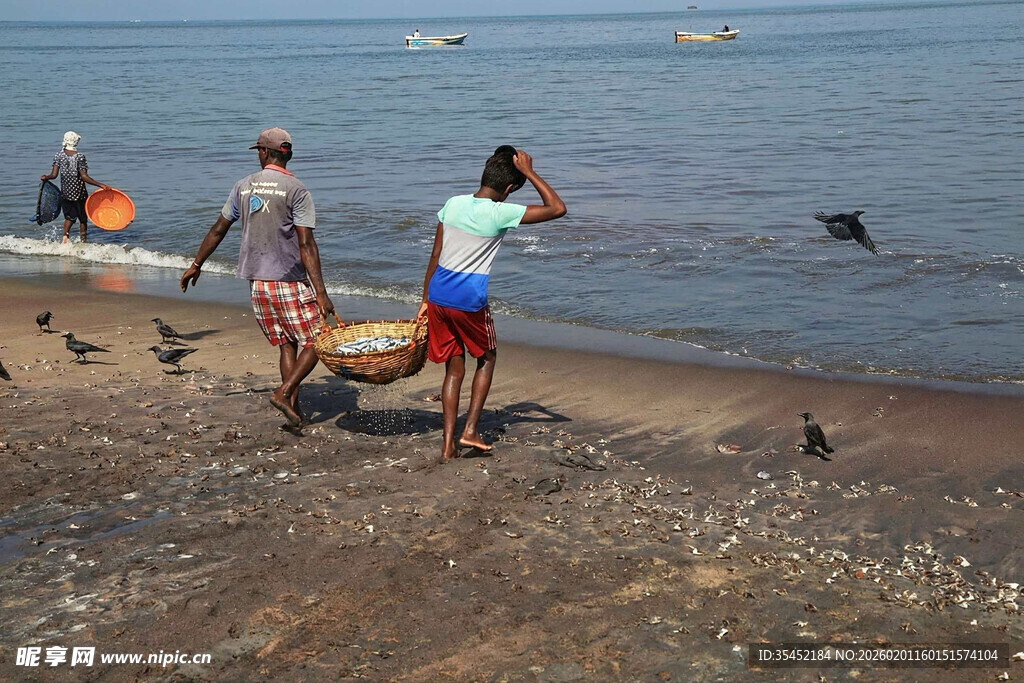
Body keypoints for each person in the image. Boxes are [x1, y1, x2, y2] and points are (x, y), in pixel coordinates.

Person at [179, 127, 337, 428]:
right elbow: (306, 244)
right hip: (289, 279)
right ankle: (284, 392)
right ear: (288, 154)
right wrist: (321, 292)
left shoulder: (244, 185)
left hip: (257, 282)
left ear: (265, 152)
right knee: (318, 340)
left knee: (287, 343)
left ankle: (294, 411)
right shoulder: (297, 189)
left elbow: (218, 229)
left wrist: (197, 263)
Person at [417, 146, 566, 463]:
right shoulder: (502, 212)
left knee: (453, 370)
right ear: (509, 189)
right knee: (487, 358)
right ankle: (469, 429)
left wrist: (425, 300)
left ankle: (447, 446)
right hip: (468, 301)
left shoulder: (453, 204)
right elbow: (557, 208)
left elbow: (434, 255)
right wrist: (529, 172)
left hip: (439, 295)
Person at [41, 131, 109, 244]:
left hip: (66, 193)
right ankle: (83, 242)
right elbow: (84, 177)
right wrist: (101, 185)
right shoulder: (79, 157)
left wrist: (46, 177)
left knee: (69, 217)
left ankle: (65, 236)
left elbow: (53, 175)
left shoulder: (58, 155)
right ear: (76, 142)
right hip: (79, 193)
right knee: (83, 218)